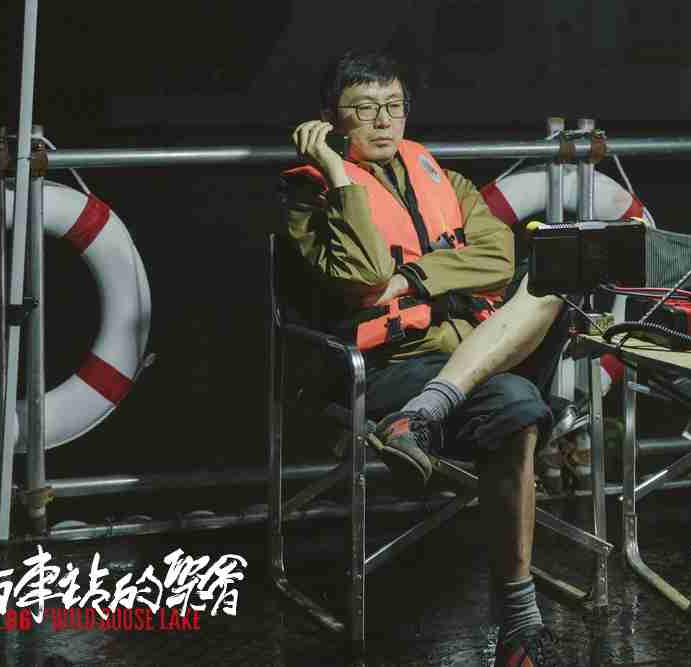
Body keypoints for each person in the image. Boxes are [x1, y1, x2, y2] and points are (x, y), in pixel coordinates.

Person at [279, 50, 571, 667]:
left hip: (473, 350)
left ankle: (425, 416)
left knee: (553, 284)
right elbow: (362, 277)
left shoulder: (447, 181)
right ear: (331, 117)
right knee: (517, 407)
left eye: (394, 106)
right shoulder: (310, 195)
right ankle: (520, 621)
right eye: (364, 109)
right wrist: (336, 172)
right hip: (387, 368)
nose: (383, 121)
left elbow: (499, 258)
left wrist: (411, 279)